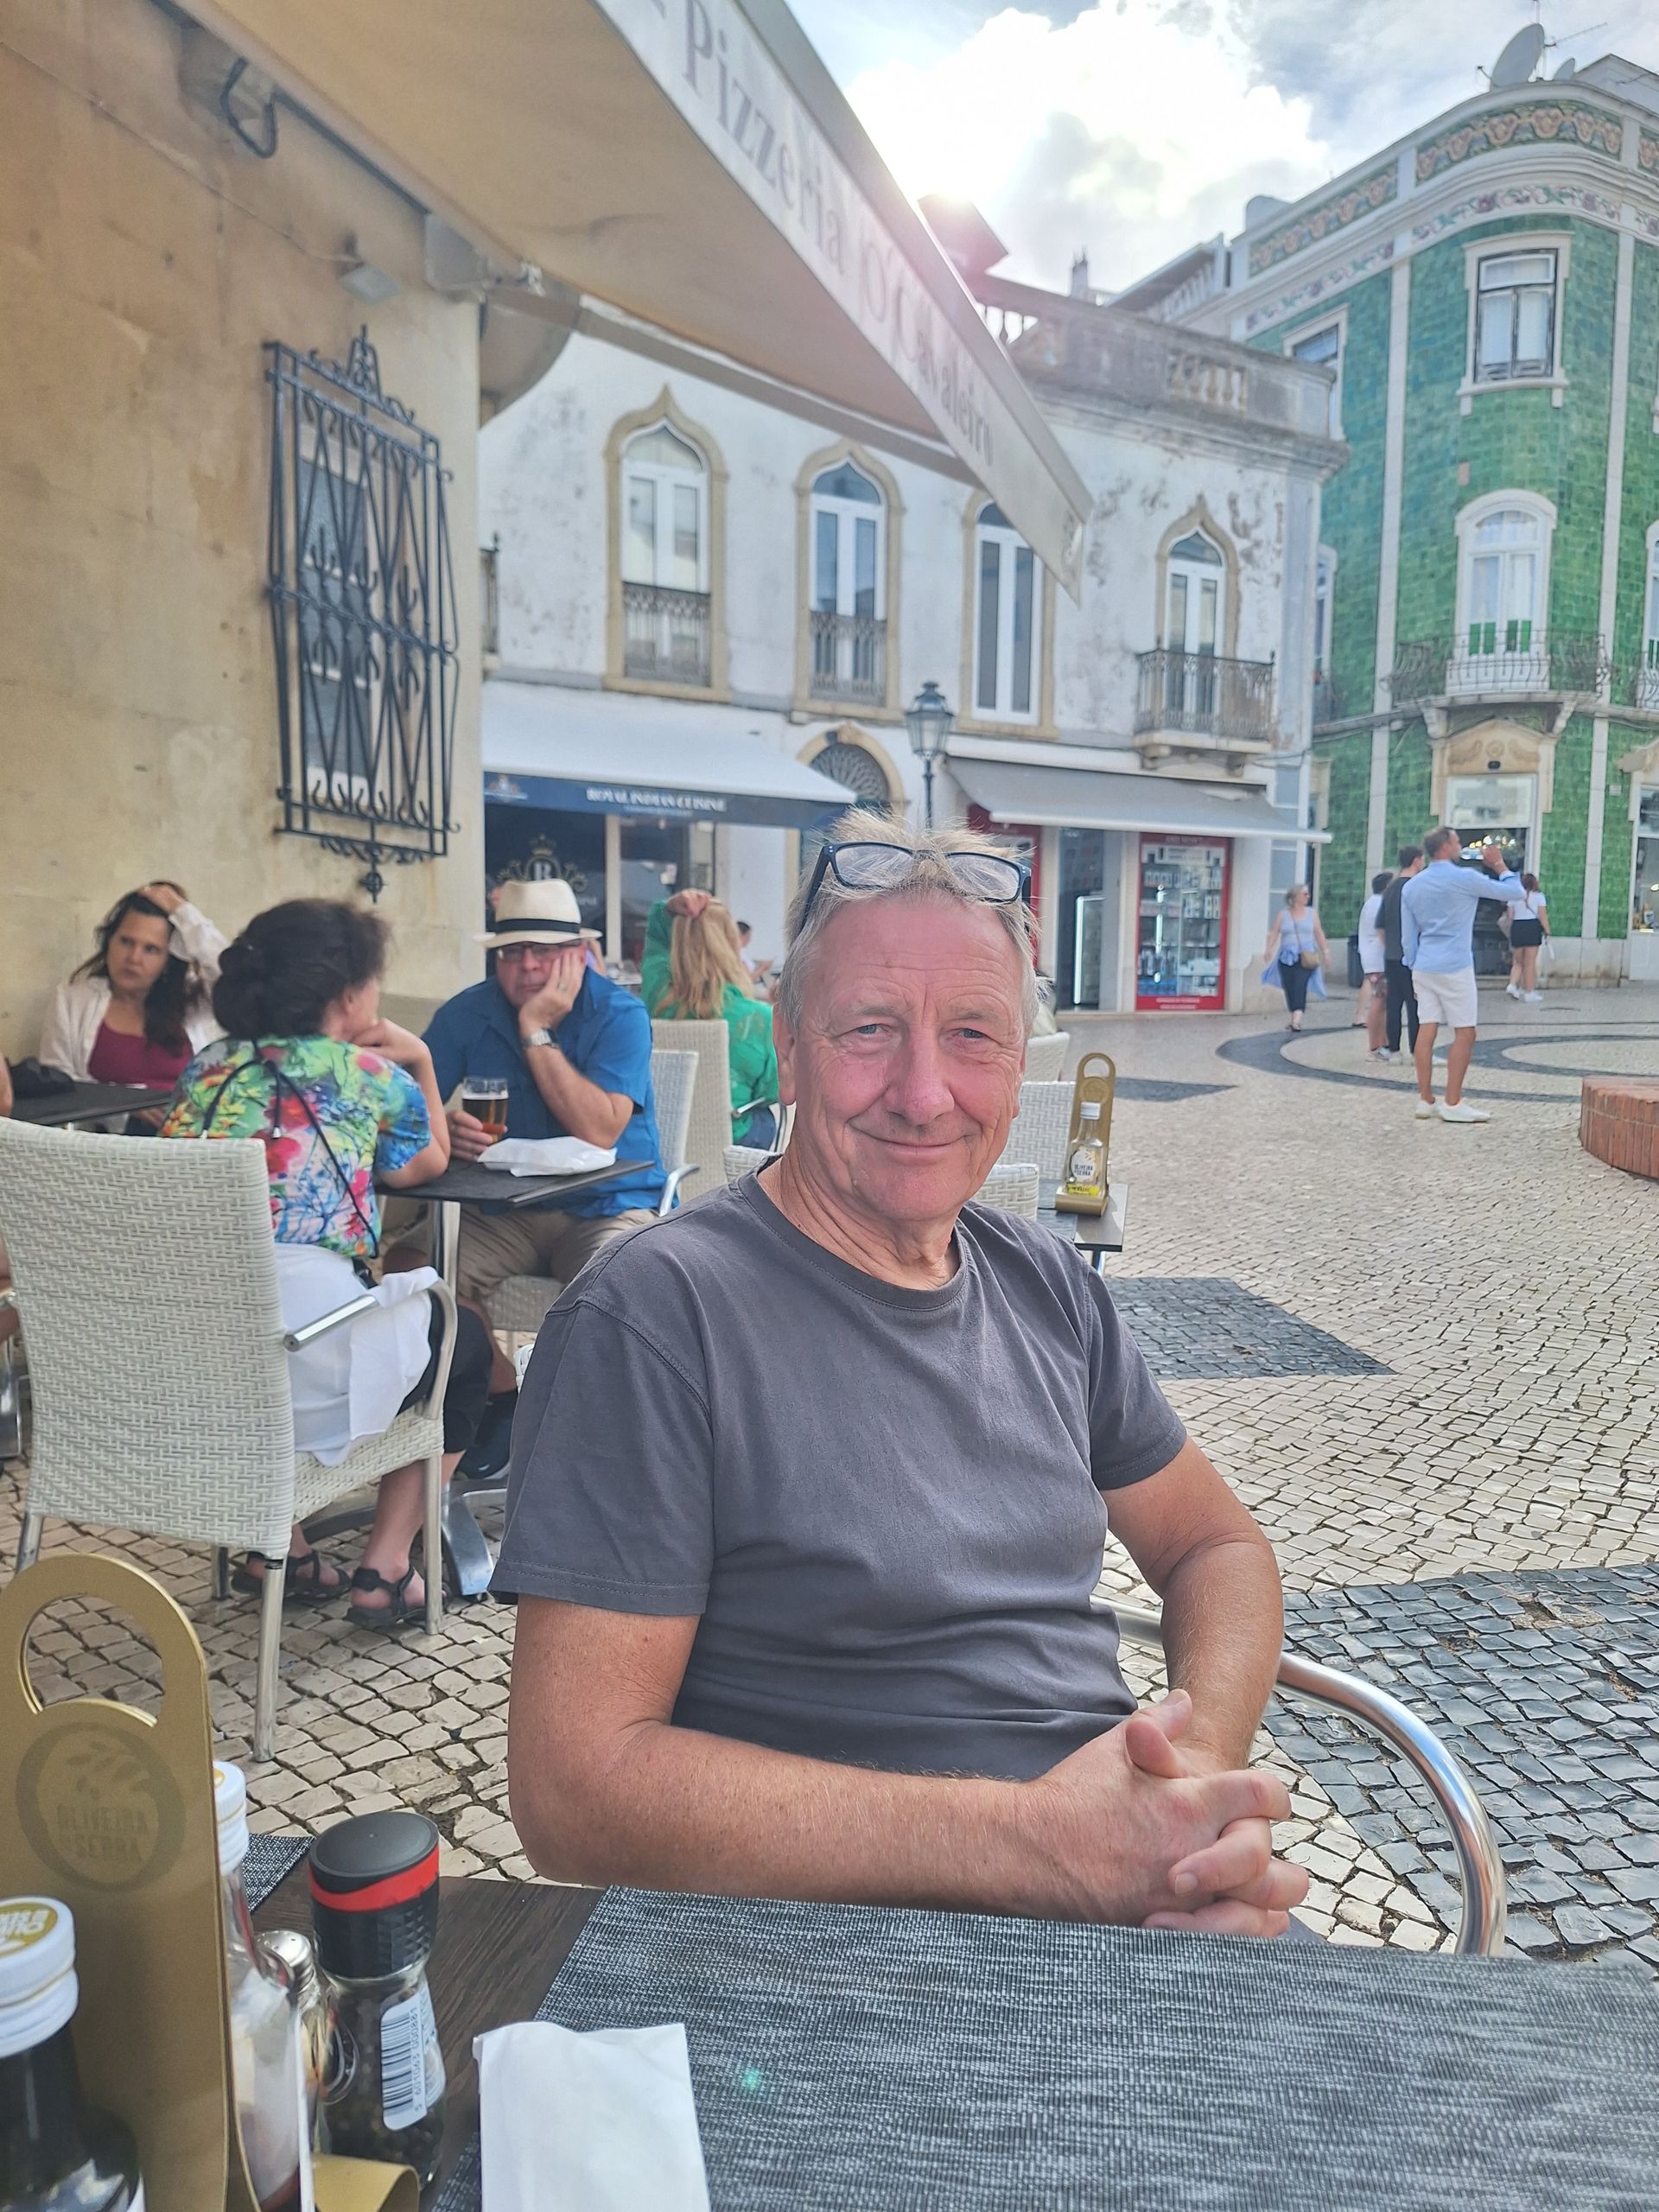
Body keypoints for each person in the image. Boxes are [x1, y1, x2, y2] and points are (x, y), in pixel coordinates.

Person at [499, 810, 1306, 1938]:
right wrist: (1040, 1847)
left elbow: (1216, 1547)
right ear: (787, 1045)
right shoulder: (654, 1316)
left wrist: (1186, 1787)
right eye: (870, 1029)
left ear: (1020, 1064)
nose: (925, 1093)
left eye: (973, 1034)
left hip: (1129, 1887)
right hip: (852, 1959)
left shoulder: (1046, 1282)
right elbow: (573, 1792)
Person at [160, 899, 493, 1628]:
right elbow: (427, 1164)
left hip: (197, 1366)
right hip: (304, 1365)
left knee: (270, 1306)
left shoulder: (204, 1070)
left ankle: (277, 1545)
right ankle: (387, 1569)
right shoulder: (369, 1075)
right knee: (463, 1342)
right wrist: (421, 1060)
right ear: (348, 996)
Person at [399, 877, 664, 1429]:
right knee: (409, 1268)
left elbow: (599, 1130)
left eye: (543, 952)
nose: (526, 967)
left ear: (578, 954)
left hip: (607, 1204)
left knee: (621, 1286)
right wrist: (444, 1128)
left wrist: (536, 1030)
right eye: (511, 953)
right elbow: (403, 1114)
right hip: (505, 1210)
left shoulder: (619, 1014)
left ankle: (581, 1430)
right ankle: (503, 1390)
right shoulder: (467, 1013)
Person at [41, 883, 226, 1103]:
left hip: (188, 1123)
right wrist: (129, 1103)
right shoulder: (72, 1001)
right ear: (109, 941)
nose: (134, 958)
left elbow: (235, 976)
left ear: (168, 959)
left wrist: (184, 914)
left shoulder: (189, 1002)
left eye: (151, 949)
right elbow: (56, 1084)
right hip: (106, 1125)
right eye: (126, 942)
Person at [1401, 828, 1530, 1125]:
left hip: (1424, 964)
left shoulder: (1412, 886)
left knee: (1426, 1028)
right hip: (1455, 964)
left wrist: (1413, 965)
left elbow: (1408, 936)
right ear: (1446, 846)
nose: (1461, 845)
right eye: (1457, 841)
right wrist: (1499, 865)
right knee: (1465, 1032)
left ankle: (1425, 1099)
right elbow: (1515, 892)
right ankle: (1453, 1102)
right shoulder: (1465, 878)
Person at [642, 891, 779, 1148]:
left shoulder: (657, 999)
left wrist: (667, 909)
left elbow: (655, 943)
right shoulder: (758, 1019)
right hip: (732, 1143)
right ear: (732, 945)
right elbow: (775, 1090)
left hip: (666, 1138)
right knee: (765, 1115)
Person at [1258, 885, 1327, 1032]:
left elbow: (1319, 933)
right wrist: (1269, 949)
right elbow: (1275, 932)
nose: (1308, 896)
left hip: (1305, 957)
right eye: (1305, 894)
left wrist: (1325, 951)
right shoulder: (1283, 915)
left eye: (1308, 894)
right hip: (1286, 957)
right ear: (1295, 896)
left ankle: (1296, 1019)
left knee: (1300, 985)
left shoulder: (1312, 914)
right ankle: (1294, 1015)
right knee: (1289, 986)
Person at [1379, 846, 1424, 1059]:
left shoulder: (1389, 889)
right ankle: (1417, 1050)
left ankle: (1394, 1050)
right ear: (1416, 861)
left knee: (1394, 1004)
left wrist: (1390, 945)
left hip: (1391, 955)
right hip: (1412, 956)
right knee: (1416, 1005)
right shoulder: (1416, 888)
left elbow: (1380, 926)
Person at [1357, 870, 1392, 1057]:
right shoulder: (1378, 904)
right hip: (1378, 959)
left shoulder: (1372, 903)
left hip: (1374, 958)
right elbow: (1382, 929)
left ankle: (1382, 1043)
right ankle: (1375, 1046)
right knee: (1379, 1001)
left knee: (1382, 1001)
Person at [1506, 875, 1548, 1001]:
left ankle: (1512, 985)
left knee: (1518, 962)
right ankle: (1529, 992)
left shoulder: (1513, 896)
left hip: (1517, 927)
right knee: (1529, 963)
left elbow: (1510, 916)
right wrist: (1547, 930)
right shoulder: (1539, 896)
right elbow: (1542, 916)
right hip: (1532, 927)